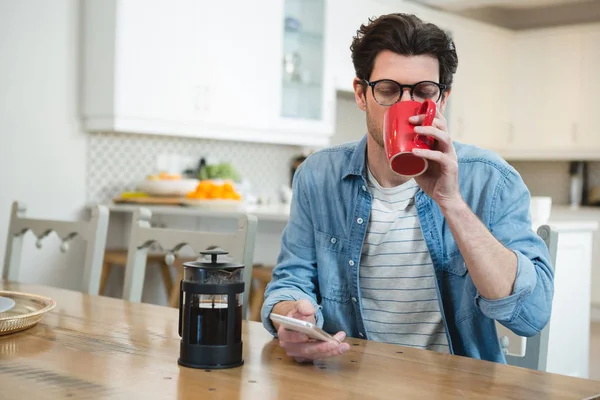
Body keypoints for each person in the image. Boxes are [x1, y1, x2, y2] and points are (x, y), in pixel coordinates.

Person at [261, 13, 554, 363]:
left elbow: (532, 315)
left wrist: (452, 202)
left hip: (455, 387)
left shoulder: (492, 180)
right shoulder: (318, 176)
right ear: (361, 94)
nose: (404, 106)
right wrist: (291, 316)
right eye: (388, 90)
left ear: (441, 99)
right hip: (349, 379)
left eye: (422, 92)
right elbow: (290, 280)